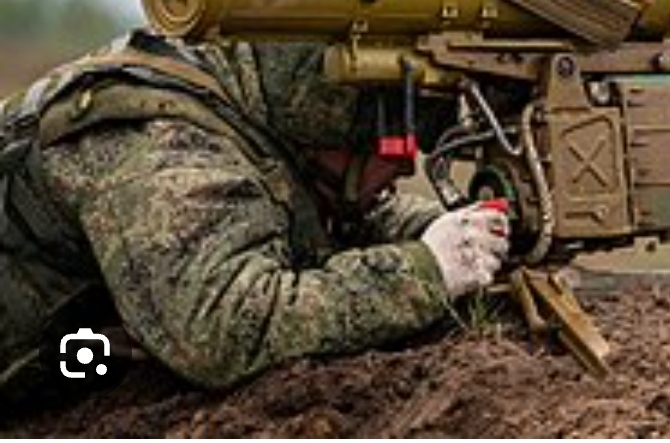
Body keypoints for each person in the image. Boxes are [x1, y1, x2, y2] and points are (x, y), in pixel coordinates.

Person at [0, 28, 510, 408]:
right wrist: (424, 271)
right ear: (330, 131)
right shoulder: (160, 147)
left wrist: (456, 233)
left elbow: (335, 217)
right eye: (390, 141)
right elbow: (221, 332)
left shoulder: (250, 106)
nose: (404, 166)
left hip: (64, 361)